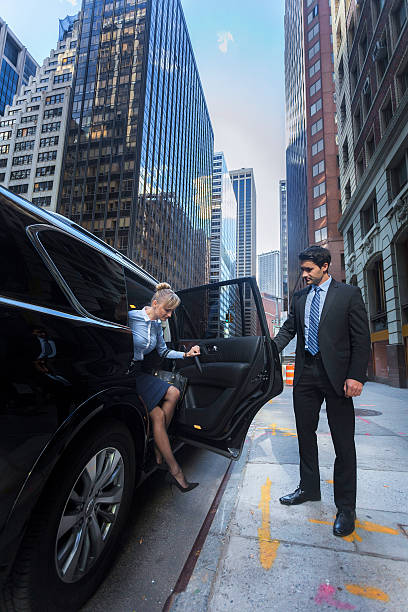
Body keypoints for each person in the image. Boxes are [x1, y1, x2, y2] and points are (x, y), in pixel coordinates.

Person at [273, 246, 370, 537]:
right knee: (305, 434)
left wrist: (356, 376)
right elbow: (289, 329)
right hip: (306, 375)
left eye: (308, 270)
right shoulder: (300, 297)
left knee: (343, 441)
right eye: (302, 269)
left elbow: (361, 338)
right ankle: (309, 488)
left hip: (338, 377)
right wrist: (267, 350)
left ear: (325, 267)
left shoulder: (348, 294)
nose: (303, 275)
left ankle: (346, 507)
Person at [128, 282, 200, 492]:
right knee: (158, 416)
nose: (169, 315)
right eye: (167, 310)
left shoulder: (158, 326)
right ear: (154, 303)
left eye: (171, 311)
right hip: (125, 373)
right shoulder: (132, 317)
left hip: (138, 371)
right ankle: (175, 470)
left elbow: (163, 352)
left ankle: (160, 446)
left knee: (174, 392)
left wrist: (186, 354)